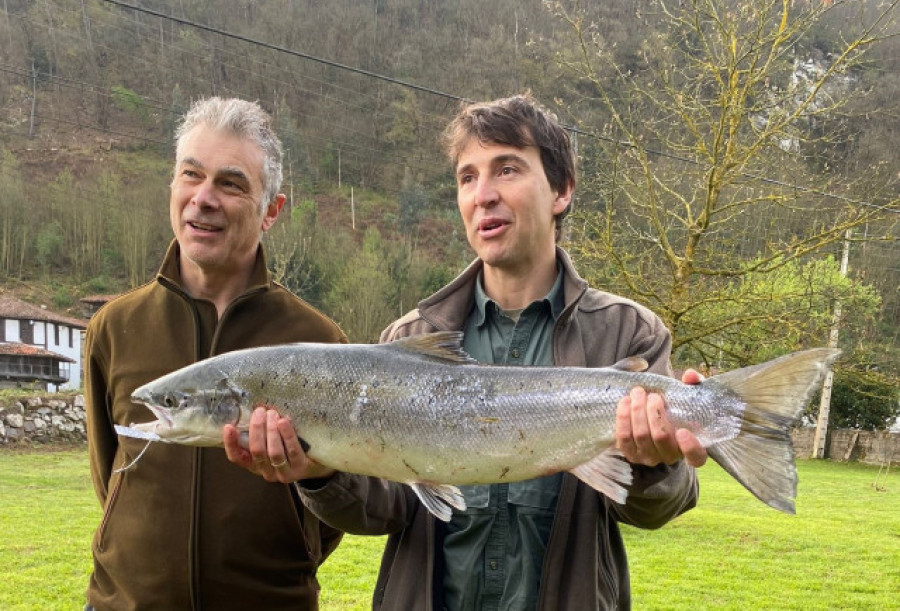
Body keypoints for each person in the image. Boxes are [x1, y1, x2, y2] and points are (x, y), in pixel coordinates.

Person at [224, 95, 708, 610]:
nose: (484, 195)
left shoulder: (628, 333)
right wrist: (318, 472)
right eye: (468, 177)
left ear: (561, 190)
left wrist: (654, 465)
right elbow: (382, 508)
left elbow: (661, 508)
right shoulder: (405, 341)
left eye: (507, 169)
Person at [84, 96, 347, 611]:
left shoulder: (318, 339)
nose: (203, 198)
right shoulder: (113, 327)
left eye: (230, 183)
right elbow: (106, 475)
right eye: (191, 175)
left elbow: (334, 502)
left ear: (271, 211)